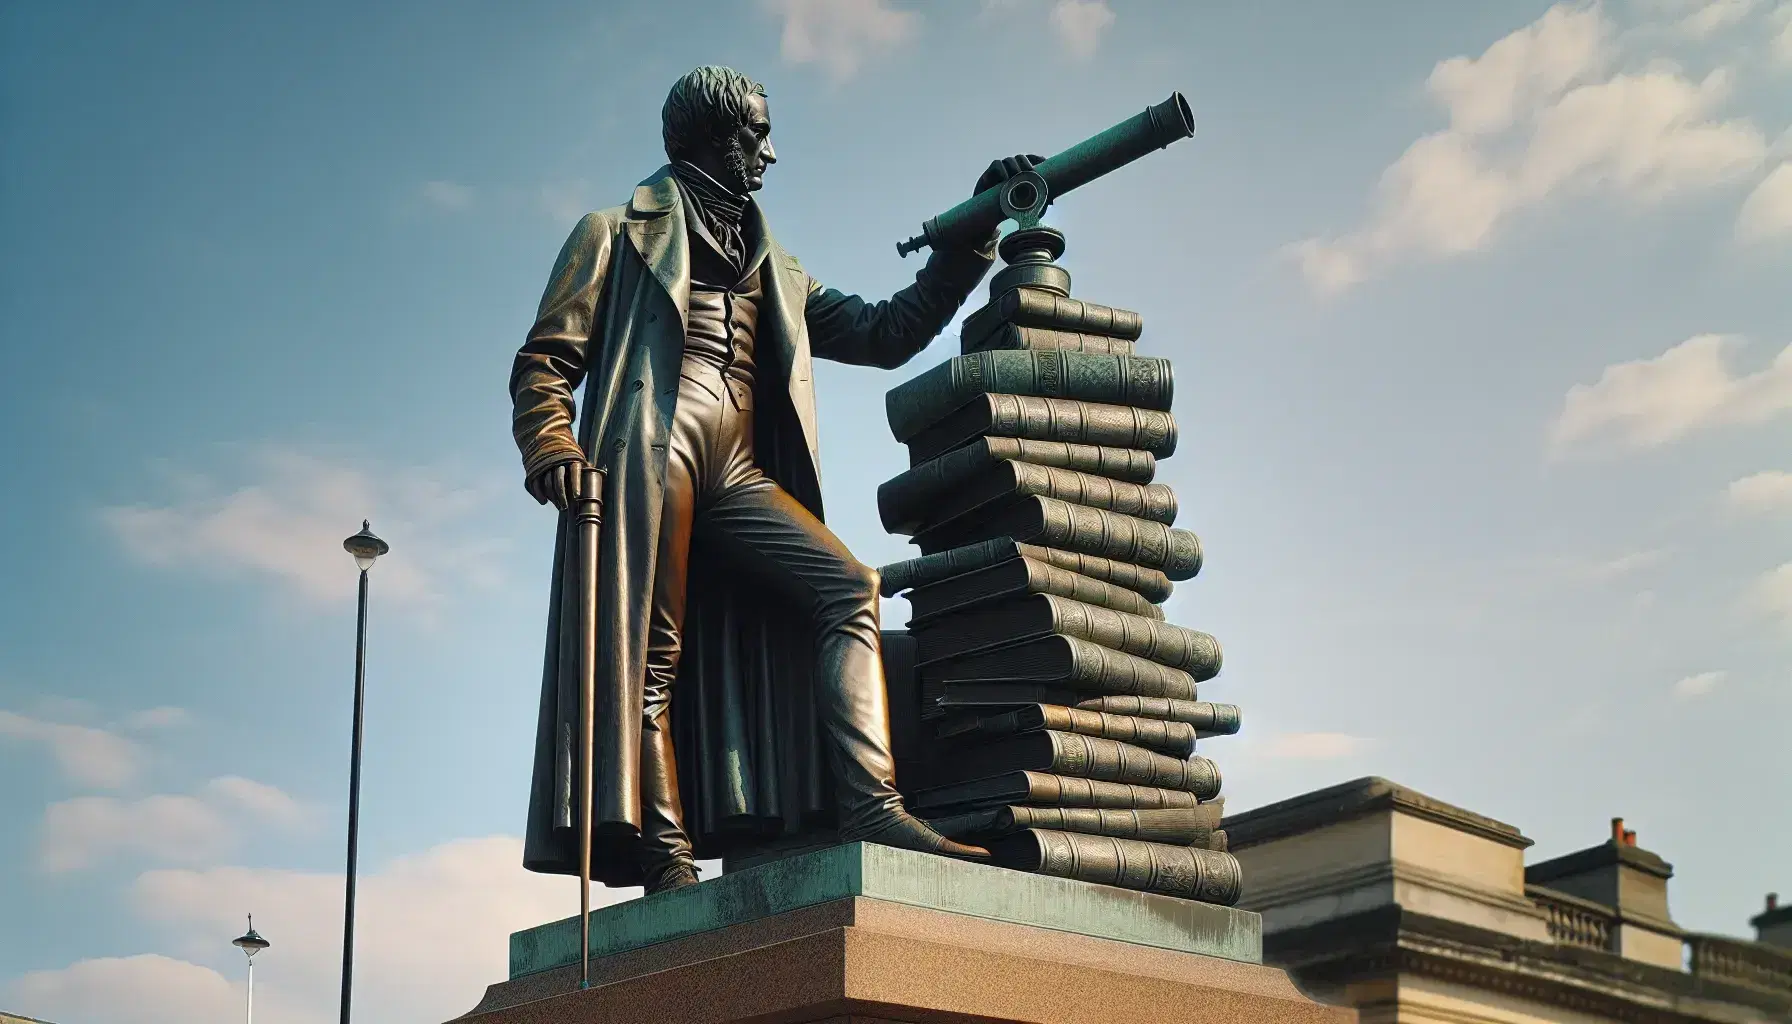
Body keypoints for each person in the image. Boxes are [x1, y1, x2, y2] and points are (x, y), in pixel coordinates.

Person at [510, 65, 1038, 893]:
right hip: (653, 444)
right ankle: (666, 854)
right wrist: (551, 447)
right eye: (756, 134)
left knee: (848, 588)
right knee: (651, 658)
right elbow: (545, 362)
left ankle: (872, 807)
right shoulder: (612, 231)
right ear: (713, 139)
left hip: (738, 462)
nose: (771, 153)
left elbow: (885, 330)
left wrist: (968, 237)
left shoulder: (777, 269)